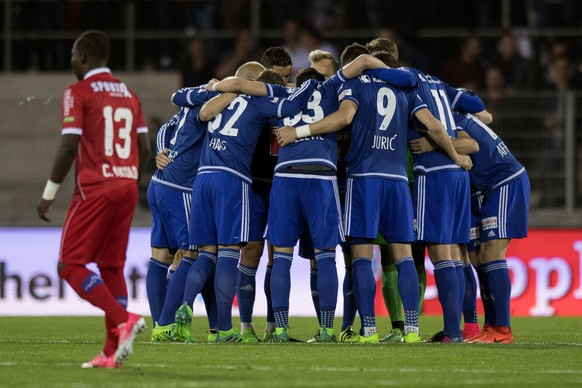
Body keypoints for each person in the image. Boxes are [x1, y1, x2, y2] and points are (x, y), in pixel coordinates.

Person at [277, 47, 472, 344]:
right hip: (397, 179)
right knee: (404, 255)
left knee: (362, 256)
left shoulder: (354, 85)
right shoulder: (405, 89)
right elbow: (433, 125)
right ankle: (411, 330)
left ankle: (368, 329)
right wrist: (456, 154)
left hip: (364, 176)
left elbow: (344, 117)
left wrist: (300, 131)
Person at [177, 62, 318, 342]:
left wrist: (220, 88)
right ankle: (226, 330)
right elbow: (289, 110)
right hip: (233, 179)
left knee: (206, 254)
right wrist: (311, 86)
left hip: (203, 178)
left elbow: (189, 104)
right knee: (230, 255)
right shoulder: (259, 104)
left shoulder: (216, 100)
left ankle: (185, 308)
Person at [36, 30, 149, 368]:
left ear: (82, 56)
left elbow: (69, 146)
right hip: (127, 184)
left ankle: (123, 318)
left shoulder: (77, 92)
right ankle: (111, 352)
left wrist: (48, 195)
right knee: (111, 267)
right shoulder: (129, 94)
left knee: (69, 264)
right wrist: (129, 178)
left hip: (95, 187)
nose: (71, 60)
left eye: (73, 54)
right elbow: (143, 148)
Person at [411, 111, 529, 344]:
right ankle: (488, 325)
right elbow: (485, 117)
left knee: (492, 254)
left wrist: (432, 144)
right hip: (477, 189)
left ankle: (503, 329)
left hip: (503, 180)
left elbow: (471, 144)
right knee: (476, 258)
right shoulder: (451, 111)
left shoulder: (444, 115)